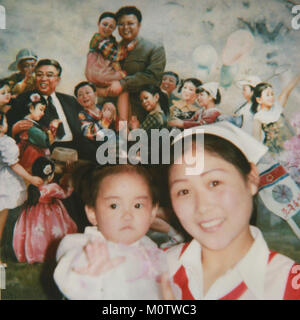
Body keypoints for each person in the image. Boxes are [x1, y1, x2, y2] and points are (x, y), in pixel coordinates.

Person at [164, 121, 300, 300]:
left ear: (251, 179)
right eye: (184, 191)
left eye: (214, 183)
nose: (202, 206)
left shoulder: (288, 286)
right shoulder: (155, 267)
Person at [53, 162, 170, 300]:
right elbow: (68, 280)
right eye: (114, 206)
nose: (127, 215)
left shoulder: (150, 249)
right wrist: (88, 276)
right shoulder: (83, 246)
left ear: (152, 212)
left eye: (137, 205)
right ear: (92, 214)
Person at [6, 59, 98, 161]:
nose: (43, 79)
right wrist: (14, 129)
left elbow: (87, 121)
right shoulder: (23, 99)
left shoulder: (70, 100)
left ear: (58, 80)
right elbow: (7, 126)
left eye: (49, 75)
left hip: (78, 148)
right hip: (46, 152)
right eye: (39, 75)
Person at [105, 6, 166, 123]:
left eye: (130, 23)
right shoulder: (112, 50)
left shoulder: (154, 48)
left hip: (143, 112)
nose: (125, 28)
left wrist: (123, 84)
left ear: (139, 25)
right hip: (114, 111)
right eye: (121, 24)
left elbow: (153, 77)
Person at [13, 157, 77, 264]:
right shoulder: (52, 187)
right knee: (48, 232)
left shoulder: (31, 187)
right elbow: (66, 193)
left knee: (35, 233)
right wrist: (68, 174)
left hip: (31, 215)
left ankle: (33, 253)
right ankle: (47, 253)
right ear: (51, 175)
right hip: (49, 214)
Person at [0, 112, 43, 265]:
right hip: (3, 185)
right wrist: (31, 178)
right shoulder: (5, 143)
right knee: (2, 221)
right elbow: (14, 165)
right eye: (5, 121)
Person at [85, 11, 131, 123]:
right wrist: (128, 48)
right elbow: (115, 55)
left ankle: (124, 122)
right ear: (98, 23)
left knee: (122, 91)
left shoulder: (110, 40)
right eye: (104, 24)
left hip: (100, 74)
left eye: (111, 27)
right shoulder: (99, 39)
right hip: (98, 72)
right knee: (123, 82)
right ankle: (124, 122)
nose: (107, 28)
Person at [251, 73, 300, 156]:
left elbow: (287, 90)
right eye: (267, 95)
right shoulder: (258, 117)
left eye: (272, 94)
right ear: (259, 100)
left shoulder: (278, 106)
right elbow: (257, 139)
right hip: (277, 151)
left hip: (293, 143)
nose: (271, 97)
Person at [12, 92, 61, 173]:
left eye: (44, 110)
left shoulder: (32, 124)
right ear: (31, 108)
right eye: (41, 109)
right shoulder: (28, 125)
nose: (43, 113)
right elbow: (46, 142)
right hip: (31, 158)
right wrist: (53, 128)